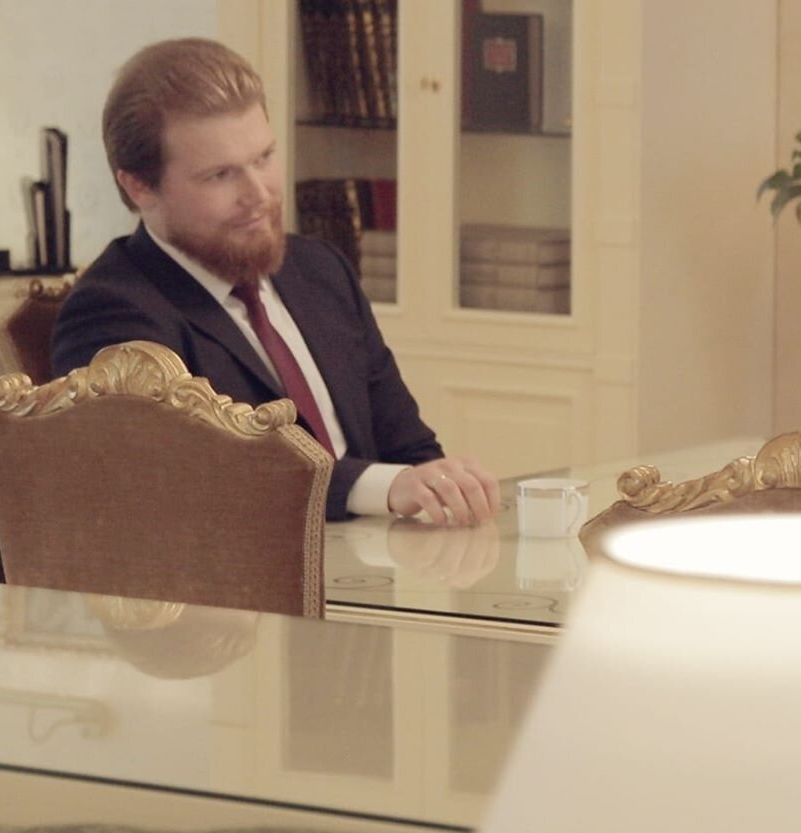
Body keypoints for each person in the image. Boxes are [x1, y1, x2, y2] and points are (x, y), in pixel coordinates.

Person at [51, 37, 500, 524]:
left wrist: (442, 484)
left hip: (375, 562)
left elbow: (409, 451)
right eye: (220, 175)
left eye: (264, 157)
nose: (259, 194)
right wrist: (382, 487)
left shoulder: (320, 270)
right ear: (139, 186)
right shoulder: (112, 313)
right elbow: (193, 483)